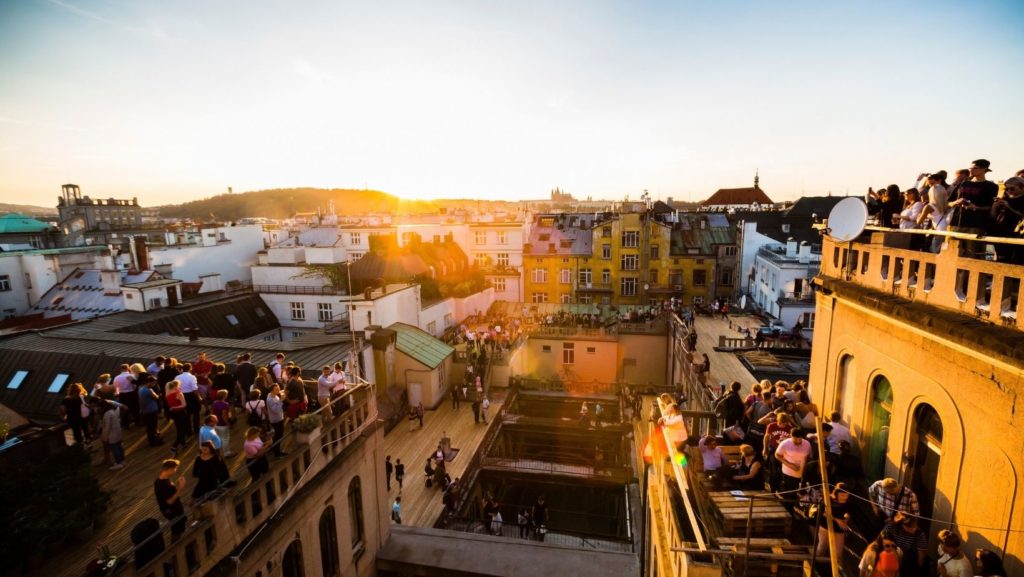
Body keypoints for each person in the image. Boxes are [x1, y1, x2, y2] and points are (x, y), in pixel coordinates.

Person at [990, 176, 1024, 263]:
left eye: (1012, 188)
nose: (1009, 191)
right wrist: (995, 206)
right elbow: (993, 216)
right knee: (1000, 259)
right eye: (1007, 188)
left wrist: (1009, 206)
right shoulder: (1004, 199)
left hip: (1016, 235)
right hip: (999, 233)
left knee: (1015, 260)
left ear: (1022, 187)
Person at [814, 483, 851, 564]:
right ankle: (817, 565)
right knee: (822, 546)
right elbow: (823, 513)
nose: (845, 497)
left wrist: (846, 519)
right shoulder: (828, 500)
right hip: (826, 524)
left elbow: (849, 513)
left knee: (839, 552)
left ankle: (836, 569)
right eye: (842, 495)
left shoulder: (848, 502)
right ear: (836, 493)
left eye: (846, 495)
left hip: (839, 527)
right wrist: (837, 520)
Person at [882, 512, 928, 577]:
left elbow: (921, 559)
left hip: (907, 563)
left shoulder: (919, 535)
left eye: (915, 526)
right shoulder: (891, 526)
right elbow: (881, 541)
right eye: (911, 527)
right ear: (903, 525)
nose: (914, 529)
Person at [154, 459, 187, 540]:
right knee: (176, 527)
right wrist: (180, 488)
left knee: (181, 522)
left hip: (171, 508)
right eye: (175, 468)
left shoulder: (160, 480)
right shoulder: (163, 484)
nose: (176, 470)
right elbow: (170, 501)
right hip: (171, 510)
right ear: (170, 469)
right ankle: (176, 544)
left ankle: (179, 540)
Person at [774, 428, 811, 497]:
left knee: (798, 494)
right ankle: (787, 505)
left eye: (799, 439)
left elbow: (808, 457)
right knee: (789, 493)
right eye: (795, 439)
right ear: (791, 436)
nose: (797, 441)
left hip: (801, 474)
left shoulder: (807, 444)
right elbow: (777, 455)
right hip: (788, 473)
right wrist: (790, 465)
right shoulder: (785, 443)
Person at [100, 399, 127, 470]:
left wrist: (104, 436)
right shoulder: (113, 411)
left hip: (112, 434)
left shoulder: (107, 414)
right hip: (118, 432)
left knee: (115, 449)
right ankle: (122, 460)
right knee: (119, 447)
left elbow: (107, 426)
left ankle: (118, 462)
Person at [166, 380, 189, 456]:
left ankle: (183, 443)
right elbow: (184, 405)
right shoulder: (178, 394)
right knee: (182, 430)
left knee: (179, 429)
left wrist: (173, 408)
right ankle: (174, 447)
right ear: (176, 386)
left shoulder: (167, 394)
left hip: (174, 414)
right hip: (181, 413)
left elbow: (171, 406)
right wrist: (174, 407)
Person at [211, 390, 233, 457]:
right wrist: (228, 423)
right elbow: (224, 416)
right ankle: (227, 453)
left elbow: (212, 412)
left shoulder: (215, 403)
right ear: (224, 396)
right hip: (222, 424)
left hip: (216, 424)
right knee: (225, 438)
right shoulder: (225, 404)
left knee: (219, 438)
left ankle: (218, 453)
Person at [266, 384, 286, 457]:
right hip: (276, 420)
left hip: (279, 418)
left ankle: (275, 449)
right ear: (272, 390)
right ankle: (277, 453)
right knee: (278, 436)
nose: (278, 390)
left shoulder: (273, 395)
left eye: (278, 388)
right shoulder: (270, 399)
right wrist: (281, 400)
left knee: (277, 436)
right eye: (276, 389)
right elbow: (275, 410)